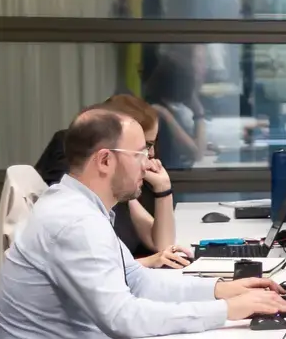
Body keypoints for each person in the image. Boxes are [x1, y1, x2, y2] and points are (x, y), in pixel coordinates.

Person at [0, 108, 286, 339]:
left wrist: (221, 290)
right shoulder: (75, 222)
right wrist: (226, 310)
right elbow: (122, 317)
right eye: (139, 153)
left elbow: (138, 281)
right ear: (105, 160)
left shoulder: (82, 207)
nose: (147, 164)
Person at [36, 94, 191, 269]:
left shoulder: (118, 194)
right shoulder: (75, 207)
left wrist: (163, 188)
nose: (152, 154)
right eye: (143, 148)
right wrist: (146, 263)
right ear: (106, 157)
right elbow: (92, 268)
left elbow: (162, 245)